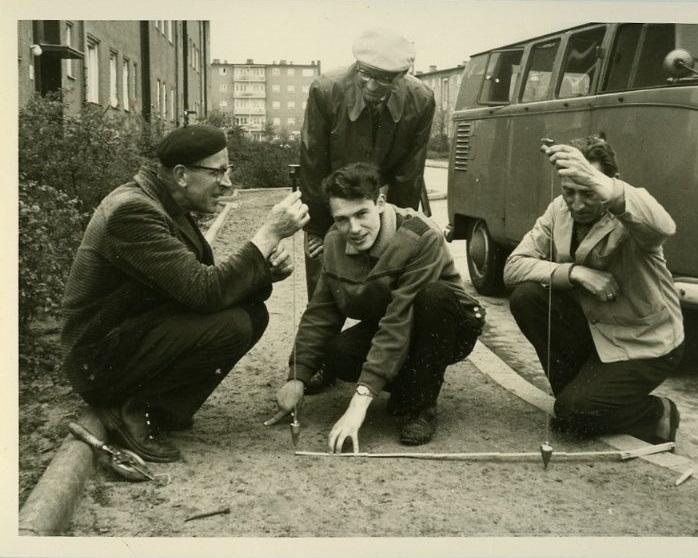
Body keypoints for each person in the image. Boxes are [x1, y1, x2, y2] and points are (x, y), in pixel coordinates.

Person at [61, 125, 309, 462]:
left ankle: (162, 409)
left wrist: (264, 270)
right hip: (98, 359)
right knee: (233, 324)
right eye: (217, 172)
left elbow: (201, 282)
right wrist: (268, 234)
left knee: (252, 314)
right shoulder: (133, 212)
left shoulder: (162, 202)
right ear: (181, 175)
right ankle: (134, 410)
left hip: (128, 334)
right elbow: (204, 292)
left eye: (228, 169)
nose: (227, 182)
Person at [265, 163, 484, 451]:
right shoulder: (334, 241)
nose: (353, 229)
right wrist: (297, 376)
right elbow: (321, 312)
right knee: (337, 353)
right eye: (342, 219)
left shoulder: (421, 236)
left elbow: (399, 319)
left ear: (379, 203)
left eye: (361, 214)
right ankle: (410, 384)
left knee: (433, 297)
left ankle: (420, 405)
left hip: (449, 324)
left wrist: (359, 404)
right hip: (392, 319)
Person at [503, 135, 684, 446]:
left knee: (574, 414)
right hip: (598, 333)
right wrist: (574, 273)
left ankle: (657, 413)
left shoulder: (630, 211)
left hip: (644, 343)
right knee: (527, 297)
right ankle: (578, 401)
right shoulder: (558, 210)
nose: (577, 204)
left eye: (588, 192)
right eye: (569, 192)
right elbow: (513, 267)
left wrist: (602, 184)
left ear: (609, 181)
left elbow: (664, 227)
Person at [299, 28, 436, 299]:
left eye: (383, 79)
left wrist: (401, 230)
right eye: (365, 73)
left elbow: (410, 174)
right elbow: (313, 164)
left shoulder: (421, 99)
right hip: (329, 202)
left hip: (383, 202)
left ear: (402, 74)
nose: (371, 86)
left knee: (391, 282)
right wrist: (316, 229)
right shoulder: (326, 90)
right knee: (323, 285)